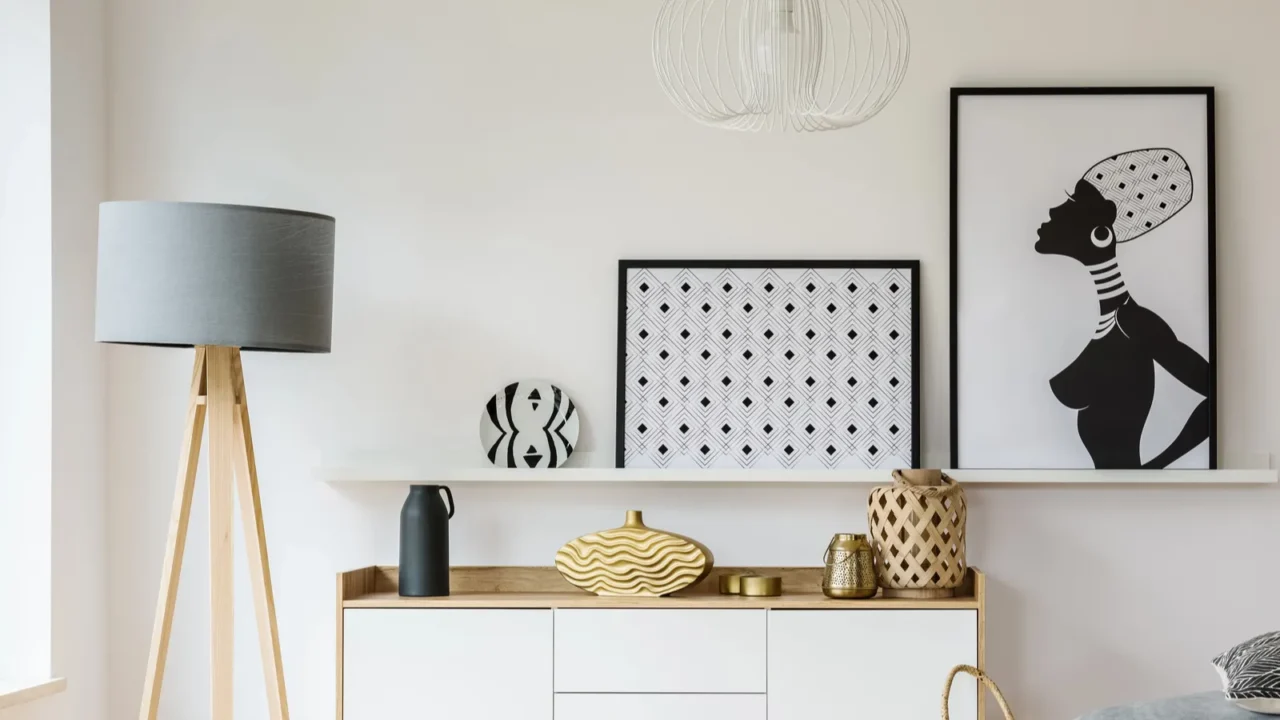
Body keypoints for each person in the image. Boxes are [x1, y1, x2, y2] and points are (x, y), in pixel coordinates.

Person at [1034, 148, 1210, 468]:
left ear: (1100, 234)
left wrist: (1155, 469)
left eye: (1070, 202)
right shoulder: (1103, 320)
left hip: (1129, 501)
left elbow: (1216, 395)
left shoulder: (1133, 322)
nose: (1053, 209)